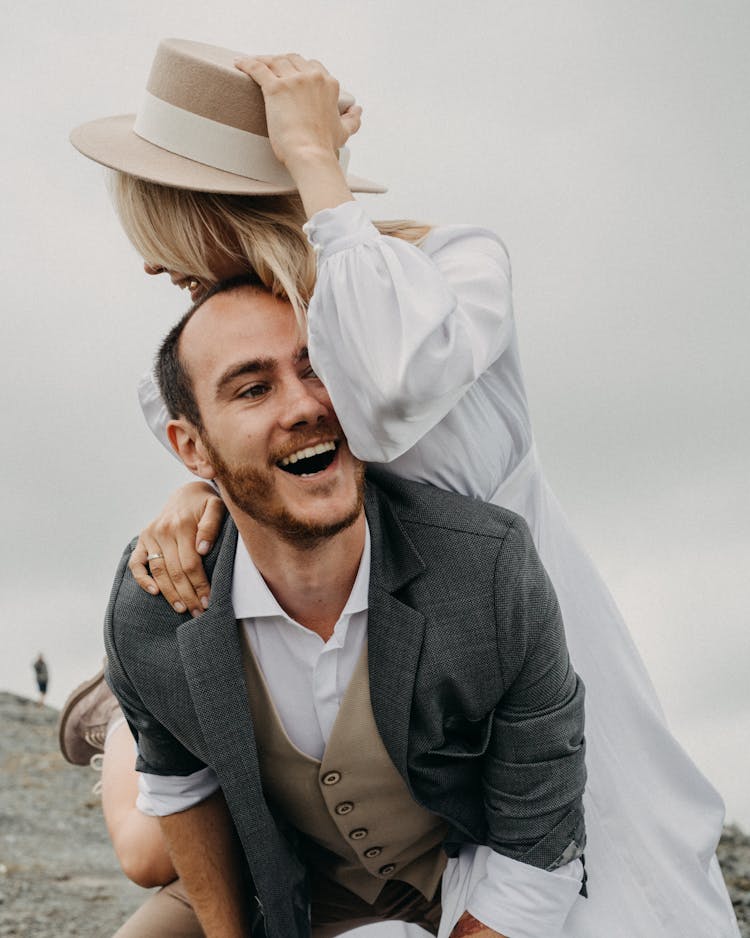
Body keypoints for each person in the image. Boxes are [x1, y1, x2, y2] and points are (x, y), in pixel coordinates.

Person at [64, 38, 740, 937]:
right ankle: (139, 707)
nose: (153, 268)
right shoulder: (190, 364)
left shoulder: (451, 272)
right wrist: (198, 499)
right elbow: (254, 468)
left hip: (513, 648)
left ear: (215, 210)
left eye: (163, 231)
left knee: (626, 893)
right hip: (359, 684)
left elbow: (381, 392)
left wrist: (313, 167)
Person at [105, 274, 587, 938]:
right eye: (254, 388)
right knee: (143, 863)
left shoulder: (487, 570)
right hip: (287, 880)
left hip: (464, 875)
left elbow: (540, 839)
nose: (305, 405)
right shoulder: (153, 603)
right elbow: (181, 787)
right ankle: (107, 719)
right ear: (191, 448)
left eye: (319, 369)